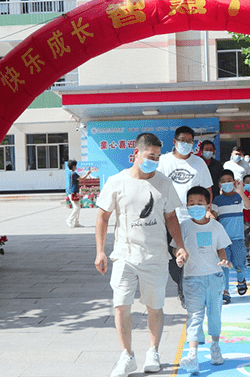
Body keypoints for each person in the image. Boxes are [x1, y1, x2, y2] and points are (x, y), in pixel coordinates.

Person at [94, 133, 188, 377]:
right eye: (150, 156)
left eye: (157, 157)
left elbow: (171, 217)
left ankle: (153, 351)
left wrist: (179, 245)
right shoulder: (116, 181)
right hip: (124, 256)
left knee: (154, 307)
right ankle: (126, 355)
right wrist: (100, 251)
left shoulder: (164, 183)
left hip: (155, 257)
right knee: (121, 306)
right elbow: (103, 216)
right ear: (136, 153)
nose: (154, 161)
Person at [173, 186, 230, 375]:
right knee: (194, 316)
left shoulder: (216, 226)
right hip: (192, 279)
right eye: (191, 203)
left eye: (199, 203)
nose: (195, 206)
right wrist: (179, 256)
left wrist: (223, 260)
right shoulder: (183, 227)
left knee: (214, 314)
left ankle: (215, 347)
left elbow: (221, 247)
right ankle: (192, 355)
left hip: (214, 277)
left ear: (208, 204)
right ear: (186, 206)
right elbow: (177, 248)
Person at [158, 126, 213, 307]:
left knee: (192, 255)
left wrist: (207, 211)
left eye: (190, 141)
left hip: (193, 218)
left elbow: (207, 190)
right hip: (168, 218)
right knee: (175, 258)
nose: (186, 144)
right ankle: (181, 285)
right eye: (182, 140)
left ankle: (186, 291)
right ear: (175, 142)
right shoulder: (163, 161)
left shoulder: (199, 163)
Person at [211, 170, 250, 304]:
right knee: (224, 265)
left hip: (238, 239)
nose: (226, 183)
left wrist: (240, 191)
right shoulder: (217, 200)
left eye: (229, 180)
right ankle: (225, 291)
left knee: (240, 264)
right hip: (223, 241)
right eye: (223, 181)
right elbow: (213, 215)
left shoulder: (239, 197)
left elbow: (249, 206)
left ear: (234, 182)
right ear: (219, 185)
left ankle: (241, 280)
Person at [66, 160, 91, 228]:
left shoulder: (70, 173)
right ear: (73, 166)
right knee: (76, 208)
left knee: (78, 208)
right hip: (73, 193)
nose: (76, 167)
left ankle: (76, 222)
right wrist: (87, 173)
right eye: (75, 165)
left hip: (73, 192)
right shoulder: (74, 174)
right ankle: (69, 220)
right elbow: (82, 179)